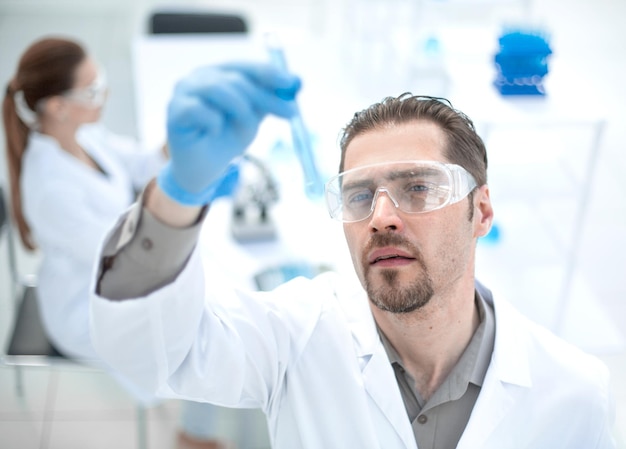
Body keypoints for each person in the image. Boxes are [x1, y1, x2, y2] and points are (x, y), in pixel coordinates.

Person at [89, 61, 616, 448]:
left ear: (480, 212)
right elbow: (150, 354)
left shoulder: (575, 394)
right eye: (360, 196)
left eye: (418, 187)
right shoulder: (293, 340)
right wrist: (179, 193)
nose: (382, 216)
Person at [2, 36, 238, 449]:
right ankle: (192, 436)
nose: (104, 93)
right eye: (92, 90)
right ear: (56, 106)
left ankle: (196, 418)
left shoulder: (82, 133)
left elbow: (138, 164)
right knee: (204, 330)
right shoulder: (49, 187)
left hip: (112, 274)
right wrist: (179, 212)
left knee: (209, 304)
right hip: (85, 307)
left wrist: (178, 138)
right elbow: (121, 259)